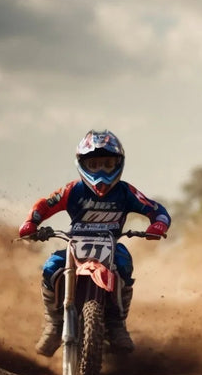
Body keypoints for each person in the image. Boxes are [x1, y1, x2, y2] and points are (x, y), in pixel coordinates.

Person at [18, 130, 171, 357]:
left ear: (118, 164)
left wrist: (158, 225)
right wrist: (31, 222)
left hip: (111, 244)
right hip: (74, 245)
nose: (101, 171)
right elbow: (45, 204)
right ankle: (53, 322)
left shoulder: (125, 191)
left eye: (108, 164)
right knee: (50, 267)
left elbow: (157, 210)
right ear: (82, 164)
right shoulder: (73, 190)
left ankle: (117, 323)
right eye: (95, 164)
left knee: (124, 263)